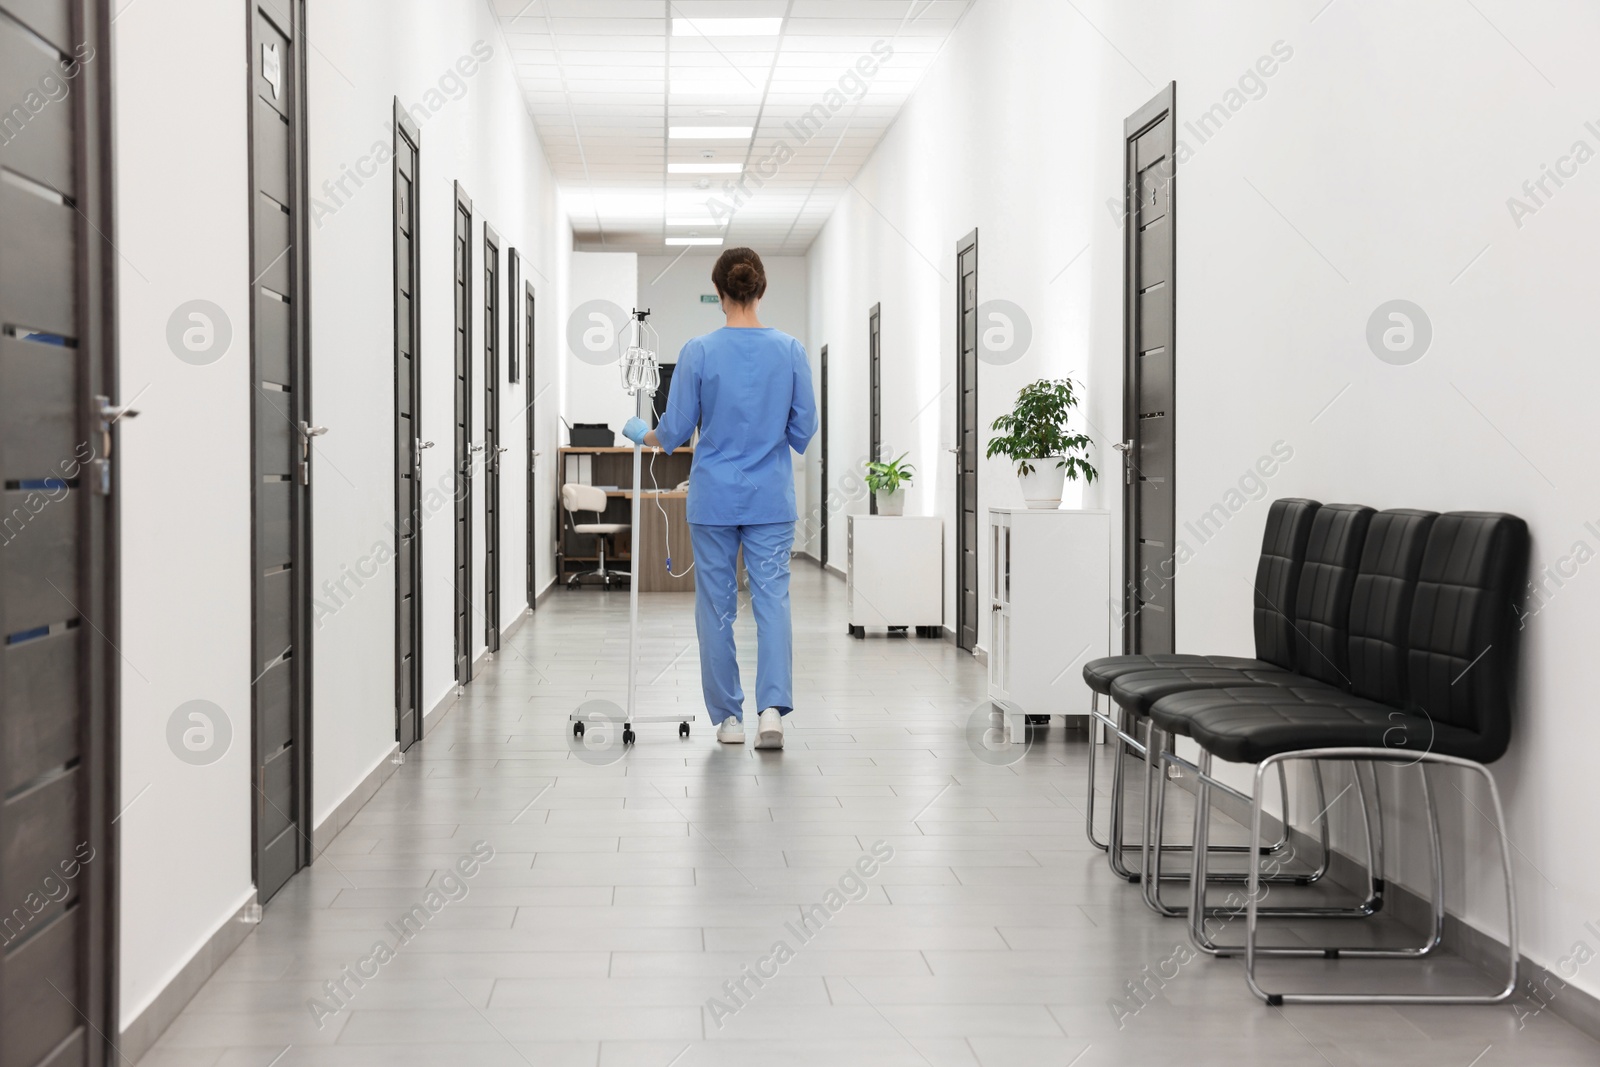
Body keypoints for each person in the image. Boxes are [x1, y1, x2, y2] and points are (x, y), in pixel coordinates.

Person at [621, 248, 816, 750]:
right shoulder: (791, 350)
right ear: (762, 289)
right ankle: (771, 712)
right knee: (772, 602)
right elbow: (803, 430)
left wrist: (642, 432)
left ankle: (729, 719)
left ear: (721, 294)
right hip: (770, 500)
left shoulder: (698, 351)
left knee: (716, 607)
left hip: (714, 501)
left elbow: (674, 434)